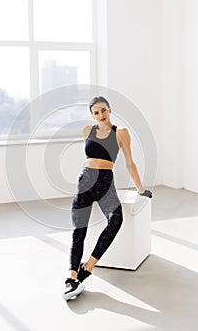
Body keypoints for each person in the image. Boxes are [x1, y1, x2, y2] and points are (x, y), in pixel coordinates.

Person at [63, 96, 153, 301]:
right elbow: (89, 159)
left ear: (110, 109)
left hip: (105, 182)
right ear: (92, 115)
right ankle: (71, 277)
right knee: (79, 230)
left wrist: (141, 190)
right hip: (85, 181)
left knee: (116, 219)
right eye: (96, 112)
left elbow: (130, 163)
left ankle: (88, 267)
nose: (100, 115)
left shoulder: (120, 132)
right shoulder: (87, 131)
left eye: (103, 110)